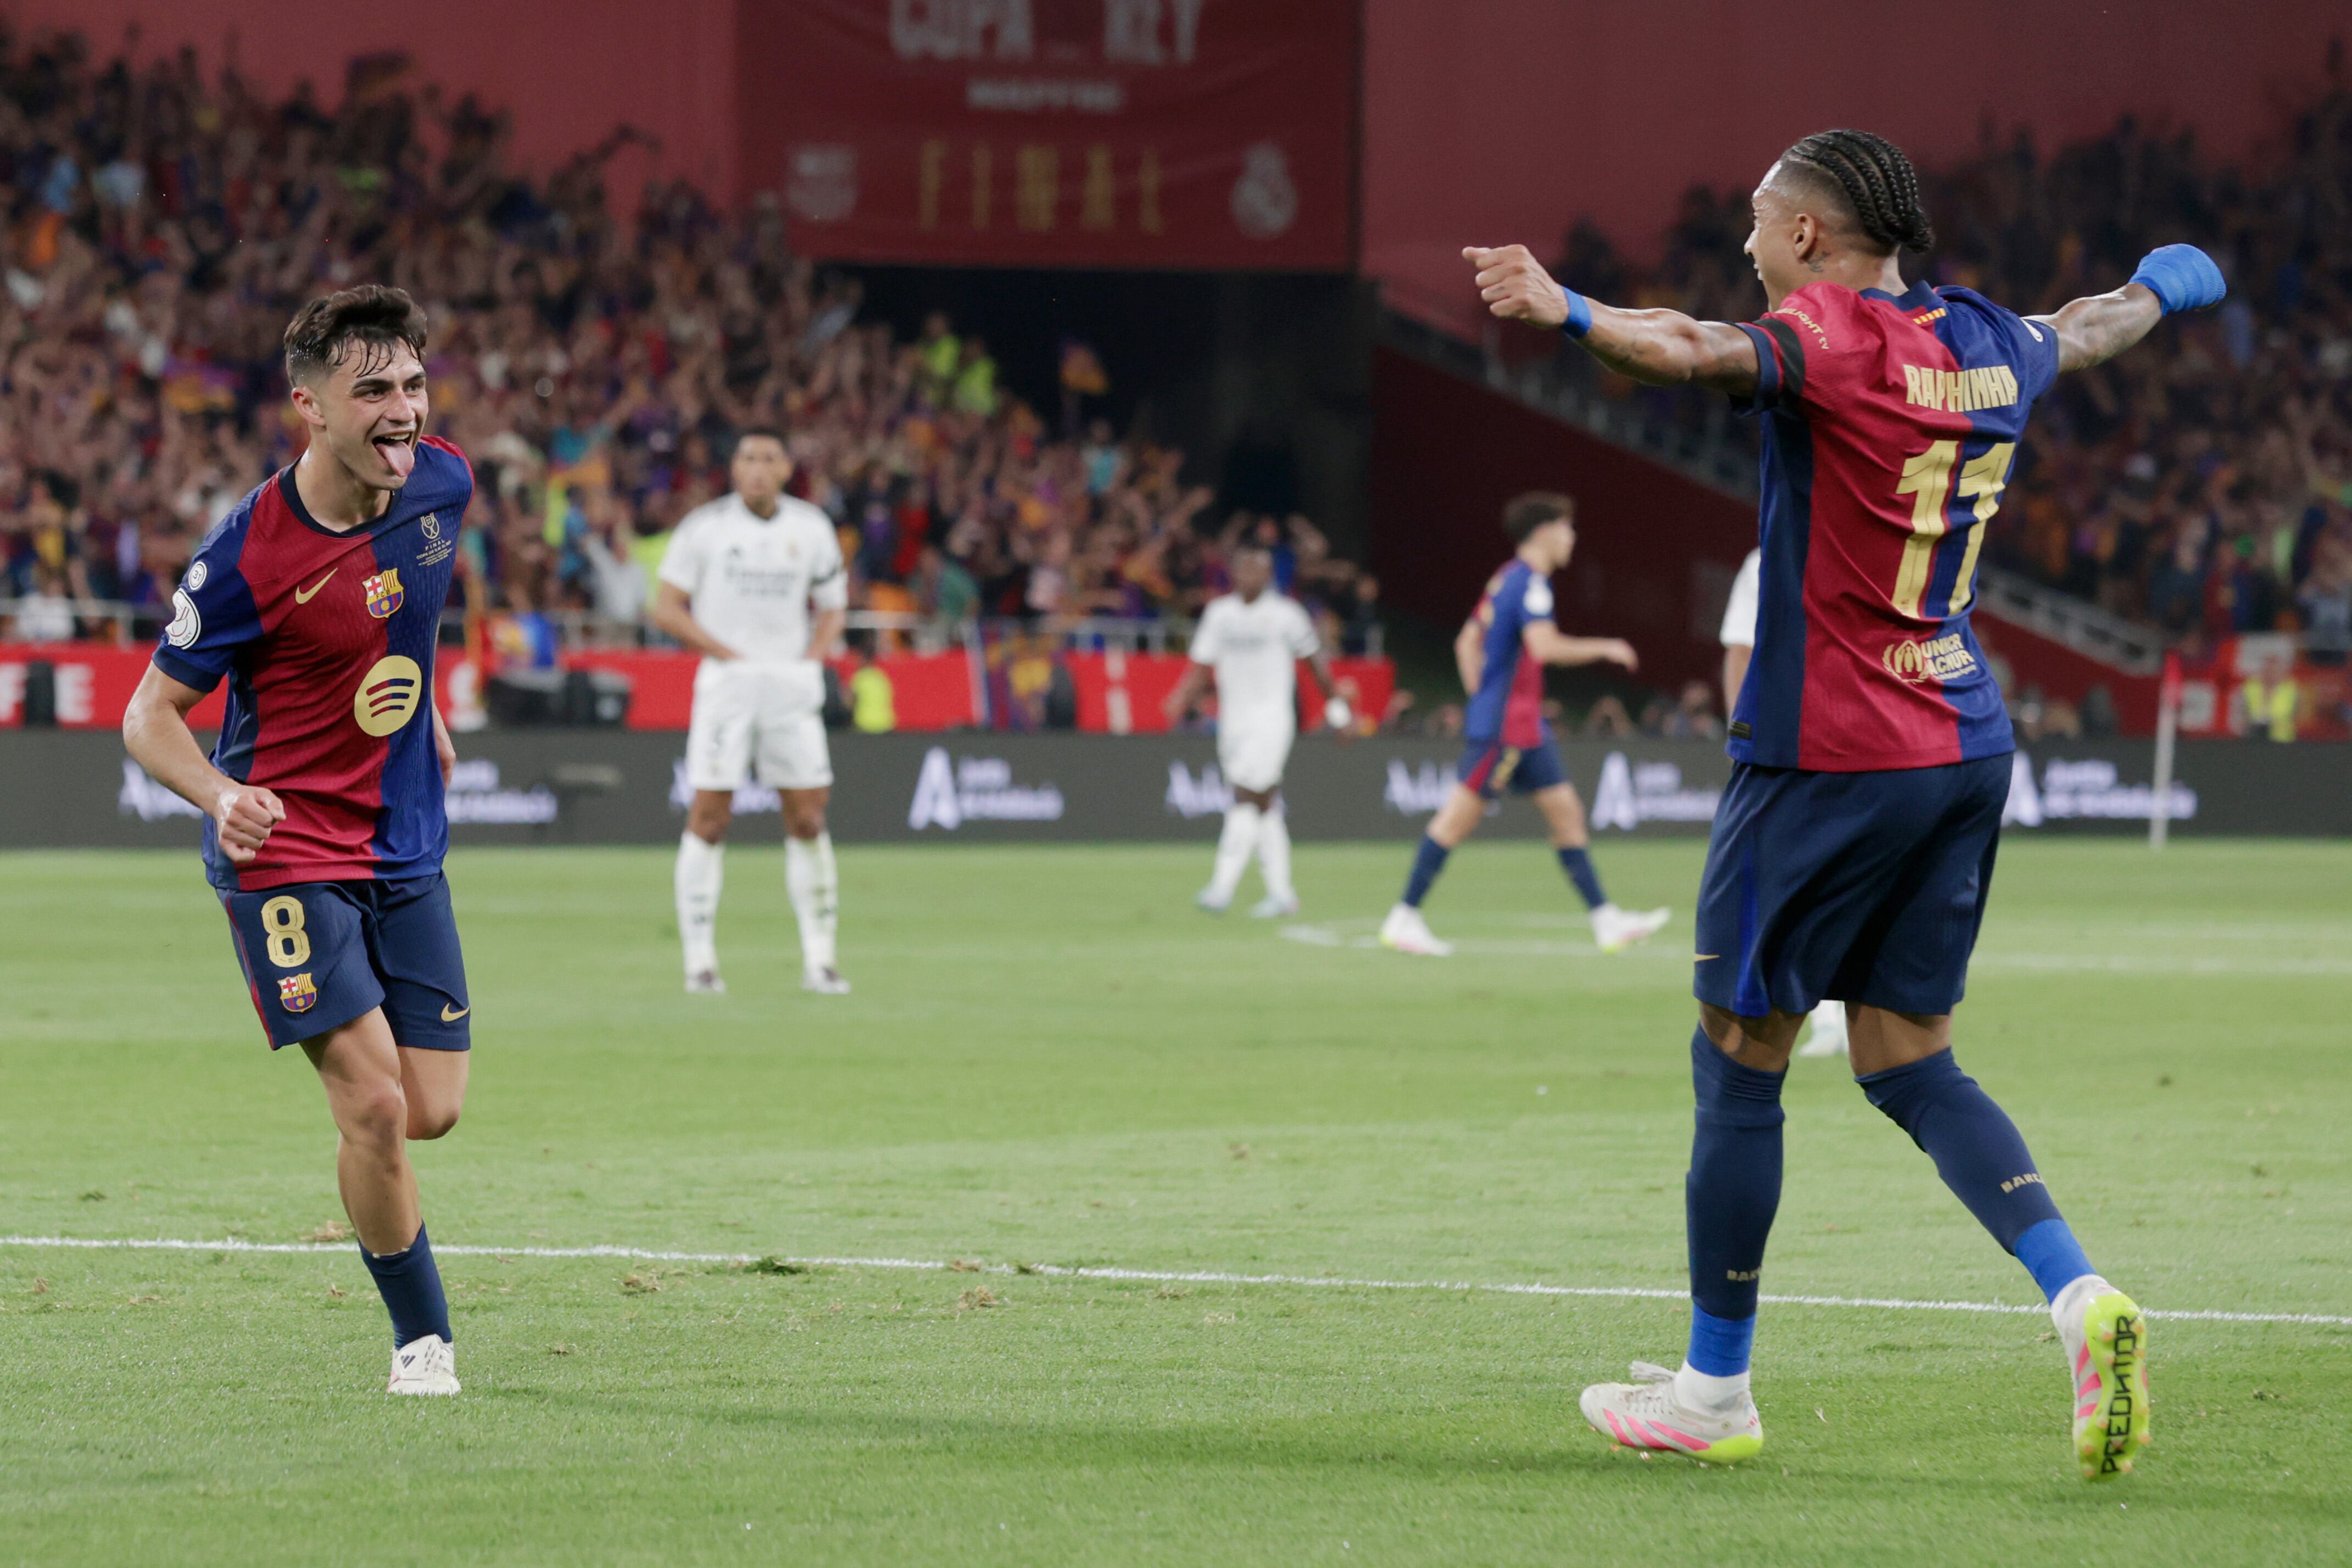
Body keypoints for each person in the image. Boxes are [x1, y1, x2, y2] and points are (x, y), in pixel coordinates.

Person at [1464, 127, 2221, 1478]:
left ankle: (1712, 1389)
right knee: (1903, 1051)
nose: (1748, 243)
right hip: (1959, 737)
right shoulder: (1986, 336)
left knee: (1736, 1049)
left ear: (1809, 235)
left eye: (1760, 220)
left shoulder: (1827, 335)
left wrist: (1563, 307)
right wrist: (2165, 284)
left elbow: (1692, 347)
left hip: (1826, 751)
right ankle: (2075, 1295)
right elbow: (2088, 327)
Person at [121, 285, 476, 1396]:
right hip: (284, 849)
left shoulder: (445, 485)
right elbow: (146, 717)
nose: (403, 411)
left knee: (432, 1109)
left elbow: (398, 618)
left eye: (413, 384)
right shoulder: (247, 555)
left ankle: (372, 1180)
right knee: (372, 1105)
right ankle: (422, 1341)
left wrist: (433, 715)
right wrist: (219, 795)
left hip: (404, 842)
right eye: (372, 389)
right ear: (309, 405)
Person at [1378, 492, 1671, 958]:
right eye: (1567, 527)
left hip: (1524, 725)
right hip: (1507, 729)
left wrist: (1483, 695)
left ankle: (1606, 920)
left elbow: (1465, 642)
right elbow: (1544, 646)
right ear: (1545, 532)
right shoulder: (1531, 584)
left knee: (1568, 814)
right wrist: (1606, 647)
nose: (1572, 537)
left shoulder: (1503, 580)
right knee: (1456, 820)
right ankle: (1404, 916)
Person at [651, 429, 851, 996]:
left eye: (768, 458)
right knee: (711, 815)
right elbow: (666, 607)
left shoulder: (811, 528)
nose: (757, 468)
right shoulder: (706, 527)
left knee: (809, 816)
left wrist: (813, 655)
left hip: (789, 681)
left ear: (787, 467)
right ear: (733, 469)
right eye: (746, 458)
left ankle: (821, 960)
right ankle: (700, 962)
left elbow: (834, 608)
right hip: (729, 683)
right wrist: (722, 651)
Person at [1163, 543, 1351, 918]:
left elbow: (1317, 666)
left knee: (1246, 795)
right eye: (1243, 569)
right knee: (1265, 804)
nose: (1250, 576)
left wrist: (1340, 712)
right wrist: (1180, 697)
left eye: (1258, 569)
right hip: (1233, 722)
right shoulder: (1220, 614)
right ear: (1233, 573)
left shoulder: (1286, 615)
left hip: (1272, 719)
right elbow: (1202, 663)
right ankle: (1282, 894)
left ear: (1269, 575)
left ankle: (1221, 887)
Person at [1718, 546, 1847, 1058]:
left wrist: (1742, 737)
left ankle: (1819, 1011)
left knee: (1786, 881)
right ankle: (1846, 1012)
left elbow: (1740, 649)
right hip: (1873, 740)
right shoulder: (1878, 532)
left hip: (1795, 743)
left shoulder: (1772, 554)